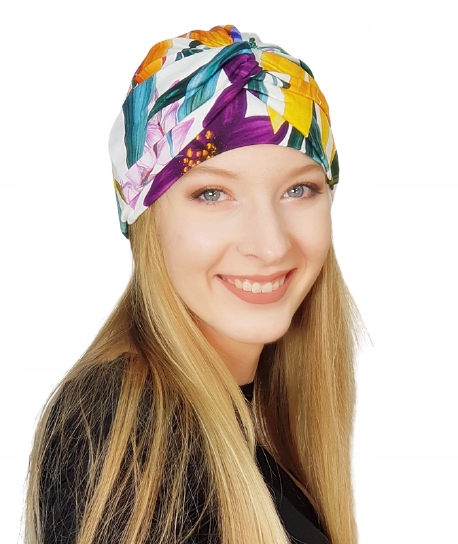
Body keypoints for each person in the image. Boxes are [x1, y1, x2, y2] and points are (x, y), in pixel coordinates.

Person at [25, 25, 361, 544]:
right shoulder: (126, 434)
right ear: (145, 217)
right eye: (212, 194)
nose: (271, 245)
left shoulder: (236, 421)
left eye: (298, 189)